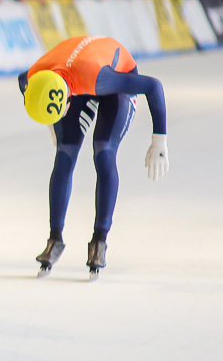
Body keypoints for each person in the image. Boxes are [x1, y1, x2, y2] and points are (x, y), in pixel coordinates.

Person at [18, 35, 169, 280]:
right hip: (74, 72)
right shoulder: (32, 76)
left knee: (104, 152)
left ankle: (100, 240)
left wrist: (159, 141)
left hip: (112, 73)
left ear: (66, 98)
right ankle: (54, 238)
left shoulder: (100, 79)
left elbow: (153, 86)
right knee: (64, 154)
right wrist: (49, 123)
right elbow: (22, 82)